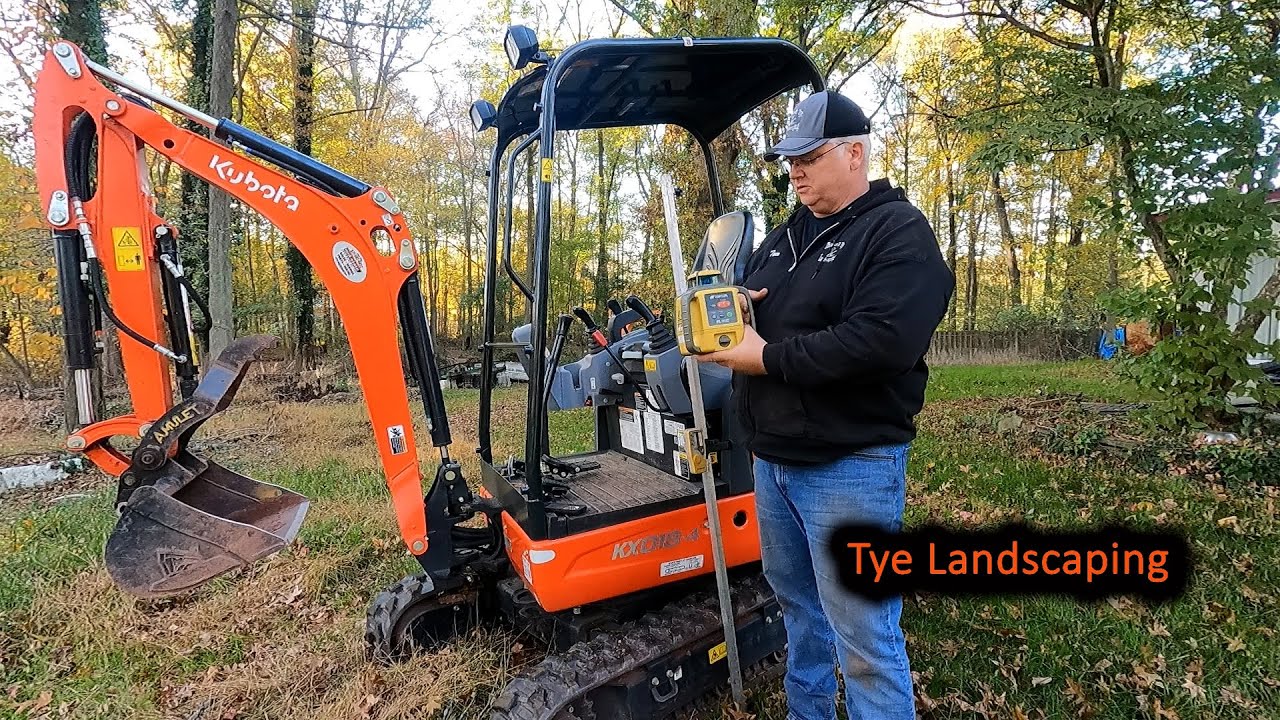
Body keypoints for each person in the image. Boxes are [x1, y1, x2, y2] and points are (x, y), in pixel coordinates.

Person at [701, 90, 954, 720]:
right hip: (774, 461)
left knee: (865, 638)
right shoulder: (787, 236)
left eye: (809, 157)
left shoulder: (897, 233)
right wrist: (736, 309)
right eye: (790, 159)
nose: (796, 171)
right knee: (799, 613)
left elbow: (880, 342)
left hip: (850, 465)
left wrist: (765, 358)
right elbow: (763, 313)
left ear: (855, 153)